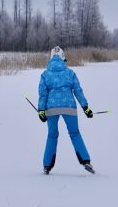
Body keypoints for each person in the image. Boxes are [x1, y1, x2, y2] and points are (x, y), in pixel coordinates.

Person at [38, 46, 95, 174]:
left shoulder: (45, 74)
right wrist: (85, 107)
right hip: (69, 107)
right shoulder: (70, 73)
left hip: (51, 108)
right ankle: (85, 161)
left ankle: (47, 166)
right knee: (75, 133)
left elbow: (43, 94)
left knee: (52, 135)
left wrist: (41, 110)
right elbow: (78, 91)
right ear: (63, 58)